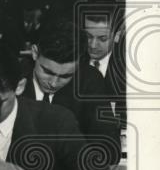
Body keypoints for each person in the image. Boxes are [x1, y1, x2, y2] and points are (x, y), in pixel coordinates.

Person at [21, 20, 121, 155]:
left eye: (66, 76)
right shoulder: (14, 79)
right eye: (48, 72)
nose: (54, 83)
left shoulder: (89, 80)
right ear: (34, 53)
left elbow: (109, 147)